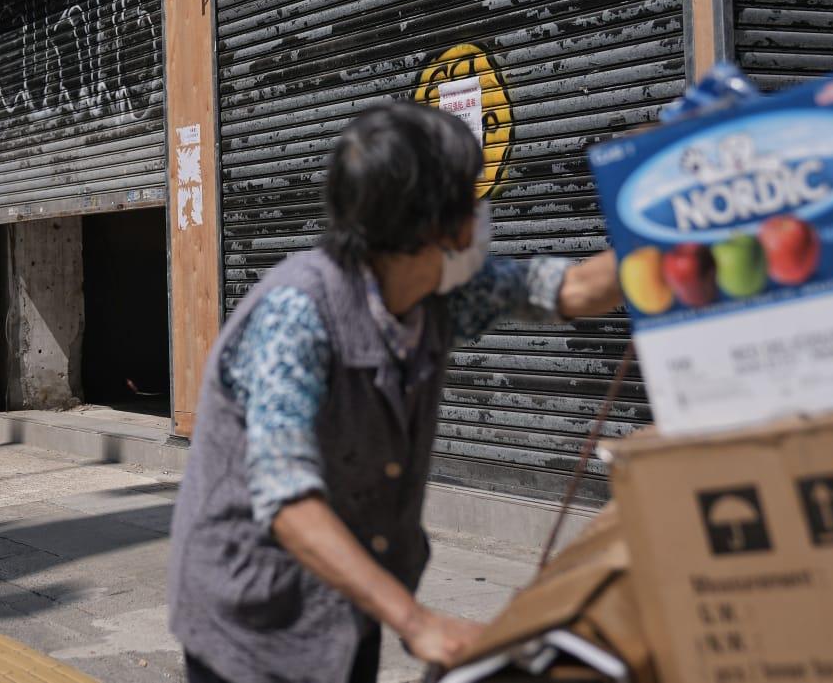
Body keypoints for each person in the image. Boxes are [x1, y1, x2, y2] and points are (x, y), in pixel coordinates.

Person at [168, 103, 623, 683]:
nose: (482, 217)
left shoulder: (439, 291)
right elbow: (288, 502)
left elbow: (573, 289)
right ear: (437, 226)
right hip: (252, 615)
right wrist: (416, 621)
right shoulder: (298, 316)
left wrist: (666, 224)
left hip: (348, 601)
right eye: (471, 199)